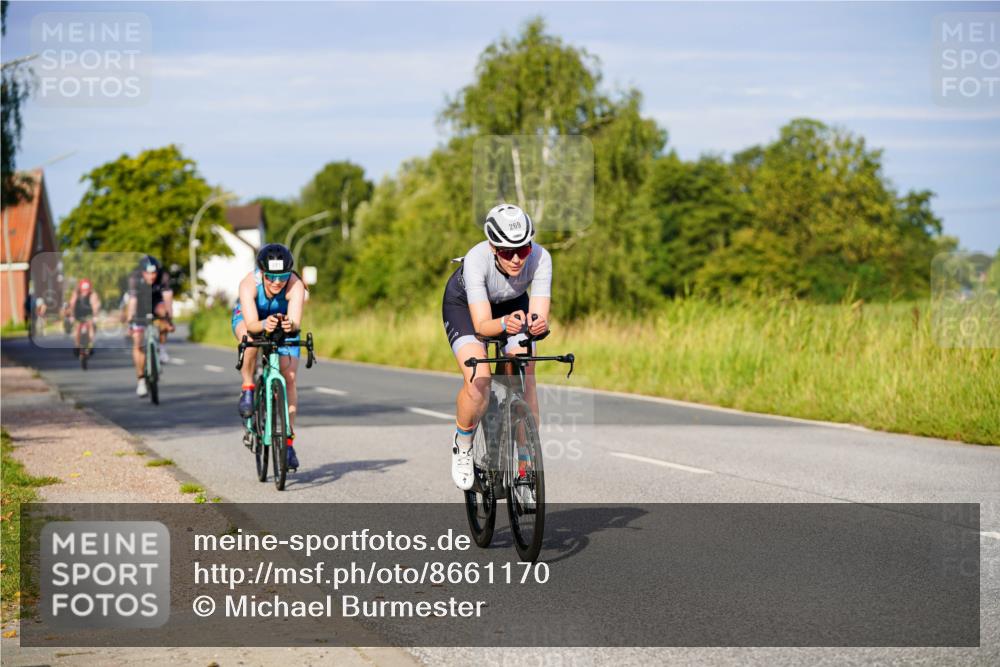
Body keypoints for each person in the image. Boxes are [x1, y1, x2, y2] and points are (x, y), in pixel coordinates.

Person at [441, 204, 551, 490]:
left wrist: (538, 326)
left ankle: (525, 466)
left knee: (526, 377)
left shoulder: (541, 258)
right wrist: (504, 324)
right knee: (480, 378)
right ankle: (462, 445)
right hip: (466, 308)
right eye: (506, 252)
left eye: (523, 249)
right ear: (493, 247)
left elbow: (538, 314)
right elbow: (482, 325)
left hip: (513, 305)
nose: (516, 259)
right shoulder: (478, 259)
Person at [231, 243, 306, 471]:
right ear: (261, 273)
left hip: (281, 324)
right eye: (271, 277)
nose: (277, 282)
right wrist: (265, 324)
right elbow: (253, 324)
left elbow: (295, 323)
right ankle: (248, 387)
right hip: (251, 319)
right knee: (251, 341)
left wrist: (286, 323)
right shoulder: (248, 284)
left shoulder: (296, 285)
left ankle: (289, 443)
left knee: (289, 377)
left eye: (282, 276)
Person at [126, 255, 175, 397]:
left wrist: (169, 320)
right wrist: (130, 321)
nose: (151, 276)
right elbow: (133, 302)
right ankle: (141, 380)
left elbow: (167, 300)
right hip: (140, 306)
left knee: (164, 312)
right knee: (138, 343)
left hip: (156, 303)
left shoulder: (163, 277)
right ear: (142, 272)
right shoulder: (134, 279)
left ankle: (162, 349)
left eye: (154, 273)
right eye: (148, 273)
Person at [68, 279, 101, 356]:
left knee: (91, 326)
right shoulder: (76, 293)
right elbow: (72, 304)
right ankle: (77, 346)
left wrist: (95, 316)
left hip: (88, 314)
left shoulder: (93, 294)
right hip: (78, 314)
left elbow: (95, 305)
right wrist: (71, 316)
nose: (85, 292)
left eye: (87, 290)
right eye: (83, 290)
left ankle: (90, 345)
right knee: (77, 328)